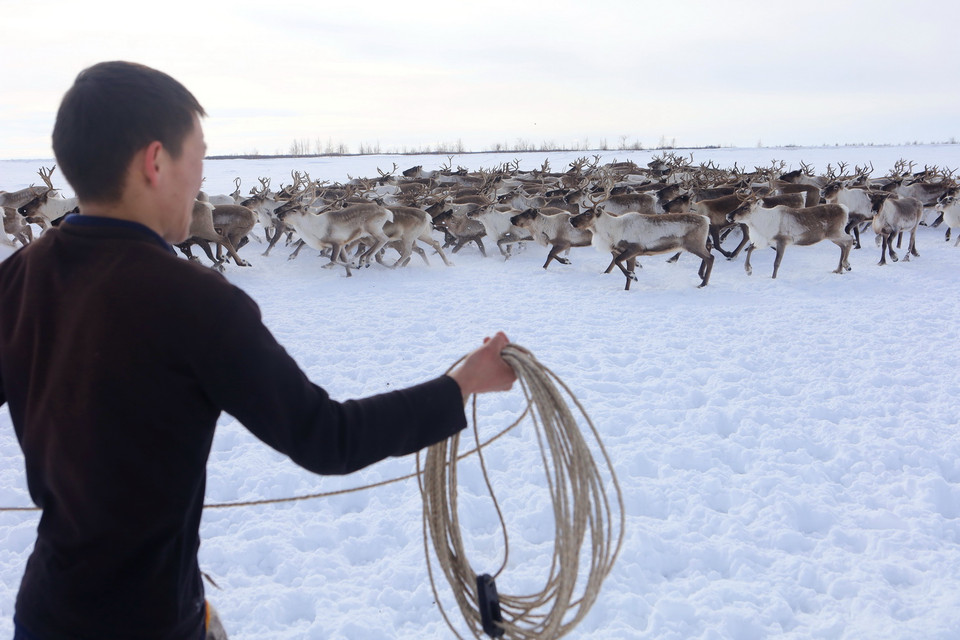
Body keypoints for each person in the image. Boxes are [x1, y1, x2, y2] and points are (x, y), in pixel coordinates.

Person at [0, 61, 516, 640]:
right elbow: (326, 438)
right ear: (155, 162)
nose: (201, 181)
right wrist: (460, 385)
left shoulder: (16, 278)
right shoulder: (196, 300)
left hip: (45, 612)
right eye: (199, 159)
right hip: (150, 621)